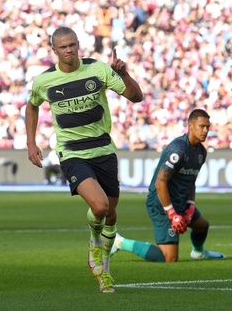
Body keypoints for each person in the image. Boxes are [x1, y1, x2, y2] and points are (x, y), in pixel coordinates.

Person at [25, 27, 143, 293]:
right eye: (63, 47)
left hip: (103, 149)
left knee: (111, 216)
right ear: (54, 51)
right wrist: (31, 142)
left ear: (78, 45)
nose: (69, 50)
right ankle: (94, 244)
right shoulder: (44, 81)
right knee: (100, 207)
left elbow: (137, 97)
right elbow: (32, 105)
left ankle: (106, 273)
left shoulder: (98, 70)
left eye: (72, 45)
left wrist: (123, 74)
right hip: (72, 152)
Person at [110, 109, 226, 263]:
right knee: (169, 258)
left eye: (207, 127)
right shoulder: (178, 149)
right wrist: (172, 214)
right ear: (190, 126)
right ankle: (118, 242)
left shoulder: (201, 153)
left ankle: (198, 253)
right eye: (202, 126)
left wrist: (190, 207)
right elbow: (160, 183)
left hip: (181, 201)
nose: (205, 131)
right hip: (161, 203)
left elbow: (191, 182)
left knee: (202, 226)